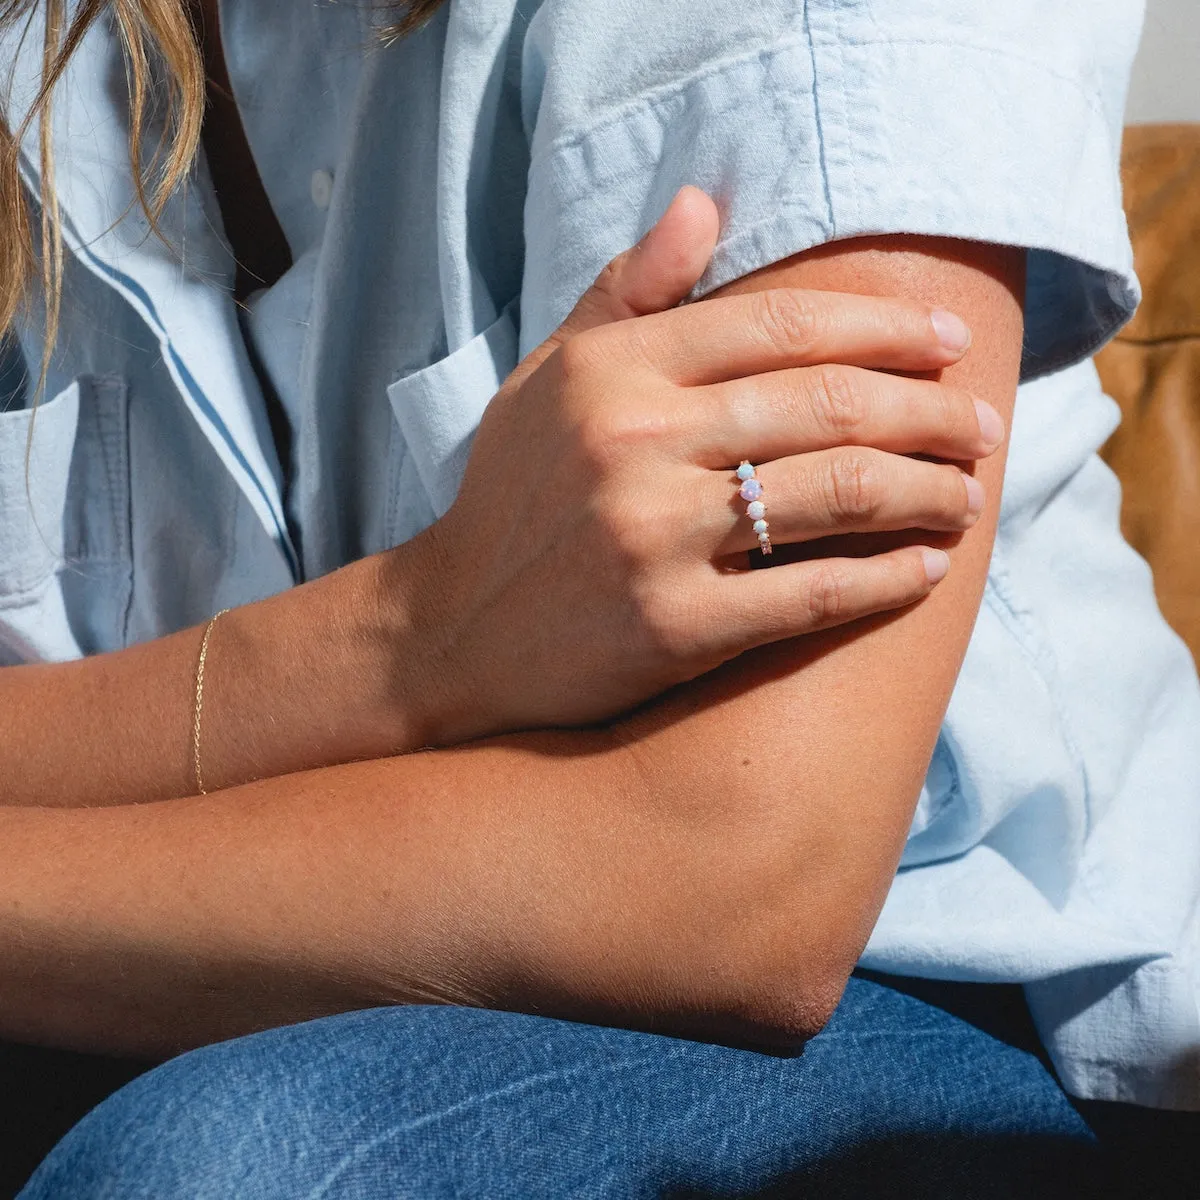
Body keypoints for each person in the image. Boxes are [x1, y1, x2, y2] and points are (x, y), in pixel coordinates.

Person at [0, 0, 1196, 1194]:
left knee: (230, 1170)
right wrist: (412, 641)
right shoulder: (54, 54)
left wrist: (412, 645)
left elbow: (730, 878)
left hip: (956, 987)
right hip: (210, 968)